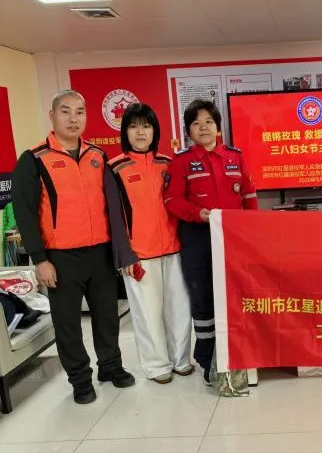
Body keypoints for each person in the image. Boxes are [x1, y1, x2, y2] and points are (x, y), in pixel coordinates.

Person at [11, 90, 134, 404]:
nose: (73, 118)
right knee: (68, 324)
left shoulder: (97, 156)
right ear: (52, 115)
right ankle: (80, 379)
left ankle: (110, 366)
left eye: (80, 111)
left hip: (100, 253)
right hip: (61, 257)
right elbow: (25, 213)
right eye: (65, 111)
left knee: (107, 316)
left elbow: (112, 207)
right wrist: (40, 259)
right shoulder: (34, 159)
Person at [164, 99, 257, 385]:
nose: (203, 128)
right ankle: (207, 358)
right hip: (197, 237)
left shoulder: (234, 157)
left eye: (208, 122)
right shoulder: (180, 161)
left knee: (235, 294)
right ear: (188, 131)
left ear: (217, 127)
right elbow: (172, 200)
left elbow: (249, 195)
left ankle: (237, 351)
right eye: (196, 123)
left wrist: (253, 230)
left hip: (234, 237)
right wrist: (197, 214)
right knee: (203, 296)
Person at [104, 103, 193, 384]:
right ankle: (157, 366)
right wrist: (125, 255)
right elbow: (114, 216)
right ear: (125, 131)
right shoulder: (114, 168)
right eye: (133, 126)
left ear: (155, 130)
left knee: (179, 310)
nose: (140, 132)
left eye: (146, 126)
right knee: (147, 314)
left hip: (175, 250)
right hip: (140, 255)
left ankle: (181, 360)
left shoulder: (168, 163)